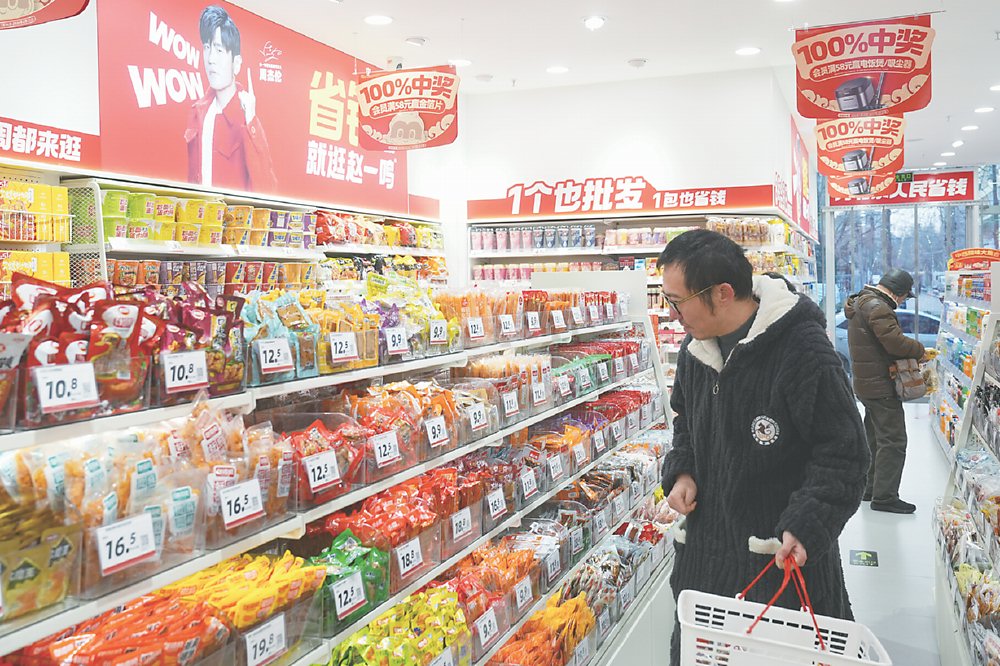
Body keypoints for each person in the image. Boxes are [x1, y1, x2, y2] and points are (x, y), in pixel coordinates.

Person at [659, 229, 869, 665]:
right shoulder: (695, 349)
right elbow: (685, 421)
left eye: (678, 301)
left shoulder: (803, 351)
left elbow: (845, 452)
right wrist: (683, 470)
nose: (672, 314)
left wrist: (807, 523)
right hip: (706, 563)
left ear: (722, 293)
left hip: (778, 565)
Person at [844, 269, 925, 514]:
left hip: (866, 384)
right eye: (905, 296)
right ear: (898, 292)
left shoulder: (861, 302)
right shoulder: (878, 307)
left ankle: (870, 489)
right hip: (880, 385)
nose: (904, 301)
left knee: (875, 438)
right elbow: (895, 343)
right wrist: (920, 350)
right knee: (894, 440)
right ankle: (885, 497)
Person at [186, 5, 277, 193]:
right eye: (207, 48)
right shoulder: (198, 112)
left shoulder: (246, 117)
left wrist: (251, 121)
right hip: (200, 210)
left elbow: (267, 189)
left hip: (232, 212)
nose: (211, 59)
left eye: (219, 50)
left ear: (236, 63)